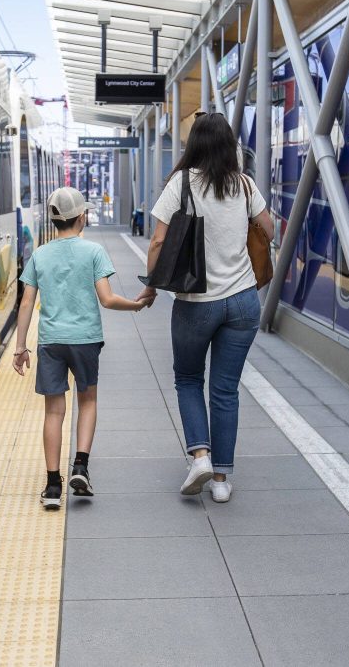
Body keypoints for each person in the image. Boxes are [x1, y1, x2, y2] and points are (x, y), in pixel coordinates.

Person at [136, 114, 274, 503]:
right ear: (229, 145)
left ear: (193, 145)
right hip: (244, 301)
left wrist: (150, 289)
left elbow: (158, 244)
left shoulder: (180, 184)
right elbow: (269, 228)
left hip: (197, 303)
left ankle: (200, 454)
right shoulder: (244, 185)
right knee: (226, 390)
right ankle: (221, 481)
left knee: (188, 379)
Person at [13, 187, 153, 510]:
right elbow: (106, 298)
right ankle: (80, 467)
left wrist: (20, 347)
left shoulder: (40, 255)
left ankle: (51, 486)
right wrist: (135, 305)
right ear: (81, 217)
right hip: (86, 340)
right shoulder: (93, 252)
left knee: (53, 411)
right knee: (87, 400)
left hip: (50, 341)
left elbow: (26, 302)